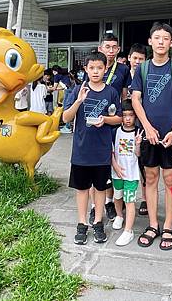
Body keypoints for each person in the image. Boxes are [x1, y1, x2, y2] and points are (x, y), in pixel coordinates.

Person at [131, 22, 172, 251]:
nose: (161, 42)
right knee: (151, 178)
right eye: (157, 37)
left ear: (171, 43)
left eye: (166, 38)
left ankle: (168, 225)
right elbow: (136, 99)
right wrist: (146, 127)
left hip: (171, 136)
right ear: (150, 41)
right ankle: (153, 224)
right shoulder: (143, 69)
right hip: (149, 136)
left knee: (170, 180)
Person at [63, 51, 122, 245]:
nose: (95, 71)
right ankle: (81, 224)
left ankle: (98, 222)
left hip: (102, 151)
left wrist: (104, 119)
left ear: (105, 69)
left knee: (100, 188)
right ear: (86, 69)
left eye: (99, 68)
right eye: (91, 68)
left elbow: (119, 118)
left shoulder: (111, 92)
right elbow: (66, 118)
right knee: (82, 189)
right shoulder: (78, 89)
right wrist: (79, 100)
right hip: (81, 150)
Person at [87, 33, 132, 224]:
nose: (111, 50)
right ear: (100, 48)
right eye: (107, 47)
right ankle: (93, 207)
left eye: (114, 47)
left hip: (113, 124)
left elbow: (124, 97)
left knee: (111, 164)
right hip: (92, 127)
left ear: (118, 49)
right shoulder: (93, 66)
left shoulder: (123, 69)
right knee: (91, 167)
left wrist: (121, 120)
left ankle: (108, 202)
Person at [110, 99, 143, 246]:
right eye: (125, 115)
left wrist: (138, 144)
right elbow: (110, 151)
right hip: (117, 172)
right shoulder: (115, 132)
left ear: (135, 116)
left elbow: (138, 155)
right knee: (117, 196)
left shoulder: (138, 132)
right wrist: (115, 166)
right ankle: (119, 215)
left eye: (131, 115)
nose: (128, 118)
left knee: (129, 201)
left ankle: (128, 231)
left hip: (132, 174)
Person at [127, 43, 149, 215]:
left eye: (141, 59)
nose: (137, 61)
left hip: (141, 126)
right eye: (135, 58)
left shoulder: (147, 75)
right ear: (129, 58)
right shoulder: (122, 75)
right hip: (124, 126)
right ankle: (123, 199)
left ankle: (145, 199)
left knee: (143, 164)